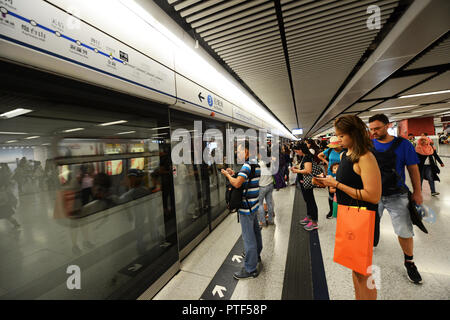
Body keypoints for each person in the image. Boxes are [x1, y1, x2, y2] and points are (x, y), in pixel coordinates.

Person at [316, 115, 381, 300]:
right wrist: (329, 182)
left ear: (354, 134)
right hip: (347, 214)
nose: (339, 140)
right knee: (355, 268)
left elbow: (373, 196)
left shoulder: (365, 158)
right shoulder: (346, 155)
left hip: (362, 217)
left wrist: (337, 185)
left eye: (342, 136)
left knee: (364, 271)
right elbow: (347, 182)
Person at [368, 113, 424, 284]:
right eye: (371, 129)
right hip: (372, 195)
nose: (374, 132)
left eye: (377, 128)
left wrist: (418, 192)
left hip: (397, 195)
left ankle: (409, 262)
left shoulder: (403, 144)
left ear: (388, 125)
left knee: (404, 231)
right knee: (367, 227)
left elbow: (413, 168)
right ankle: (364, 256)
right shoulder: (368, 145)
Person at [221, 140, 262, 280]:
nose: (237, 153)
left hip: (246, 208)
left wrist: (228, 176)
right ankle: (256, 255)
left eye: (238, 151)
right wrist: (235, 173)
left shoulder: (247, 165)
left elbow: (237, 183)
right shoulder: (255, 163)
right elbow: (246, 178)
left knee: (248, 238)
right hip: (254, 205)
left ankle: (250, 269)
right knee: (256, 233)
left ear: (246, 151)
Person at [292, 143, 319, 231]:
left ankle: (314, 221)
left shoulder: (307, 157)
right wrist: (297, 167)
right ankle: (309, 216)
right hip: (303, 182)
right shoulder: (304, 157)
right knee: (307, 200)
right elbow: (303, 167)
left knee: (311, 201)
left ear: (301, 149)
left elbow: (308, 170)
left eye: (297, 151)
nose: (296, 153)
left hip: (307, 182)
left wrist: (296, 171)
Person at [318, 136, 344, 219]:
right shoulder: (329, 150)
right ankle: (331, 210)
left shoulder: (344, 151)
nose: (334, 148)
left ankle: (340, 210)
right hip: (330, 174)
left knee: (340, 192)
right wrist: (327, 162)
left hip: (341, 175)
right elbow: (319, 155)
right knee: (331, 194)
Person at [258, 147, 275, 227]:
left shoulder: (259, 164)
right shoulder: (270, 162)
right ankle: (271, 220)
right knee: (269, 203)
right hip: (270, 184)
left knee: (260, 204)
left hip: (262, 186)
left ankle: (263, 222)